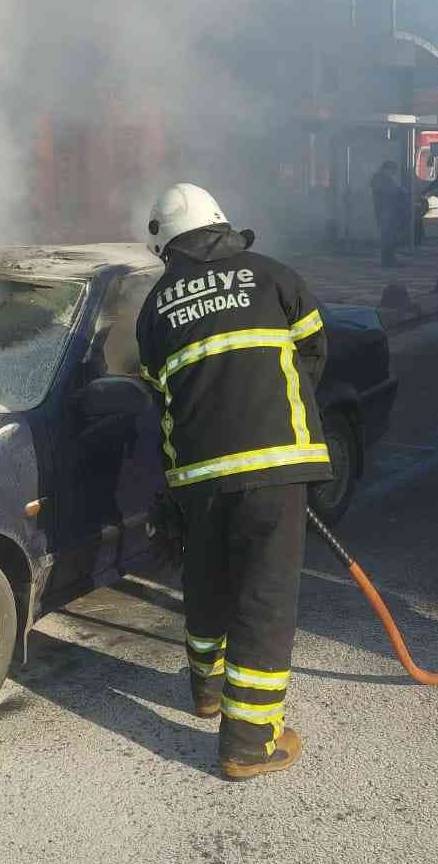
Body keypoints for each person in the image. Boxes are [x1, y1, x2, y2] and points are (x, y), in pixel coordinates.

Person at [136, 182, 329, 780]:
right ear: (221, 223)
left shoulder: (155, 307)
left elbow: (160, 395)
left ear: (166, 245)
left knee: (208, 579)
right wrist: (272, 417)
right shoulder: (273, 276)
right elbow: (313, 354)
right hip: (275, 461)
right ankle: (249, 742)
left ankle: (207, 691)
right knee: (264, 597)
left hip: (198, 474)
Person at [370, 160, 404, 267]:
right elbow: (392, 192)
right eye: (392, 171)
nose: (393, 174)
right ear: (387, 169)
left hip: (386, 212)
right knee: (388, 237)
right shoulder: (381, 180)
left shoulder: (381, 179)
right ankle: (388, 261)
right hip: (385, 212)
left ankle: (388, 260)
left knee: (388, 237)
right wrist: (400, 191)